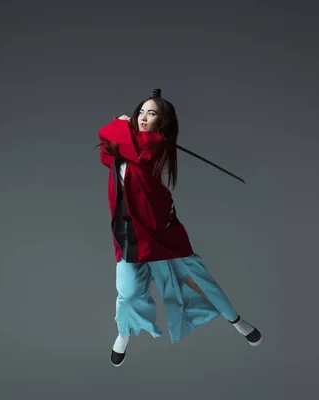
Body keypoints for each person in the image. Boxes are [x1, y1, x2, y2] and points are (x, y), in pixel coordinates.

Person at [96, 88, 262, 367]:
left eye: (152, 114)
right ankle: (123, 334)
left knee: (198, 279)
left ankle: (237, 321)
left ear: (163, 122)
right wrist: (120, 127)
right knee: (126, 294)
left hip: (160, 229)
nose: (143, 118)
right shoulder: (128, 143)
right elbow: (105, 150)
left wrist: (119, 123)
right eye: (141, 113)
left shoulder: (153, 144)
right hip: (128, 232)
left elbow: (113, 135)